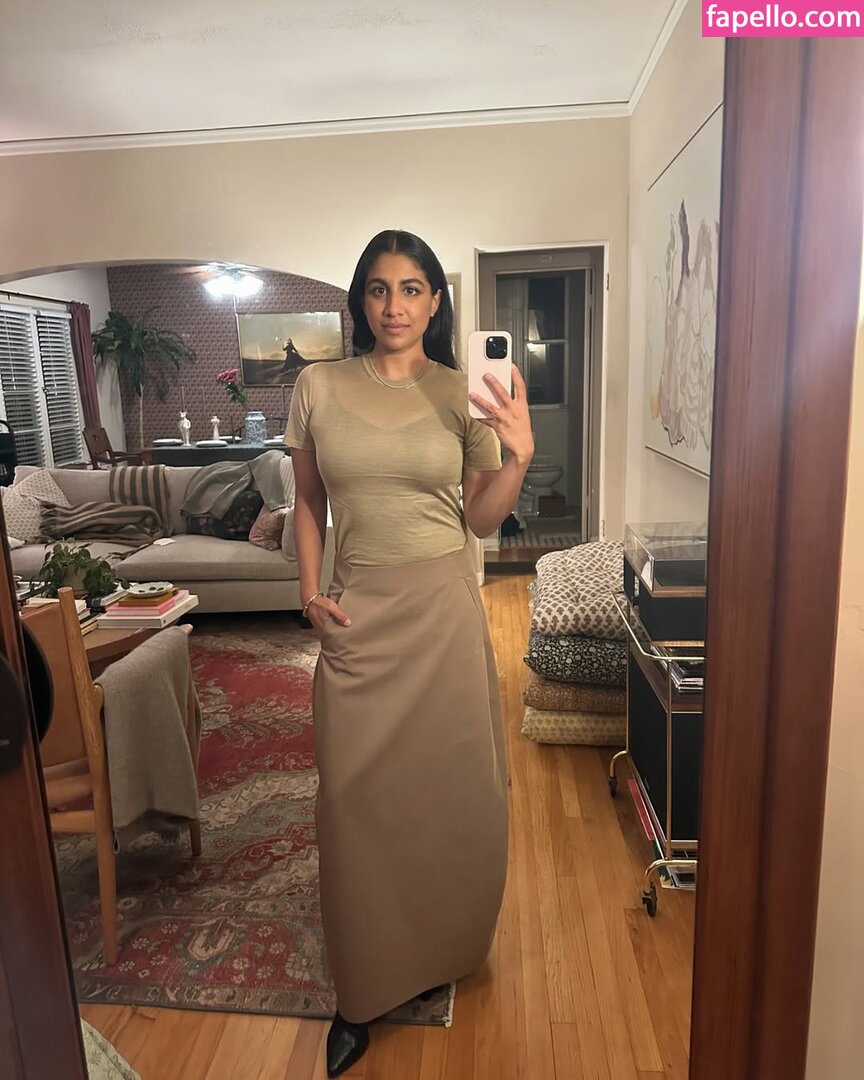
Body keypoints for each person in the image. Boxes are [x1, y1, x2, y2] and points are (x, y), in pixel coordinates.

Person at [284, 229, 534, 1077]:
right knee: (353, 803)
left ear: (435, 302)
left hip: (442, 617)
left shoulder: (465, 392)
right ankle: (360, 993)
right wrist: (309, 592)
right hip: (358, 618)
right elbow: (307, 504)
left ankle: (445, 947)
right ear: (362, 300)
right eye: (380, 288)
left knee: (450, 794)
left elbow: (480, 519)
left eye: (413, 288)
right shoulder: (318, 386)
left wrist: (520, 455)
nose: (395, 305)